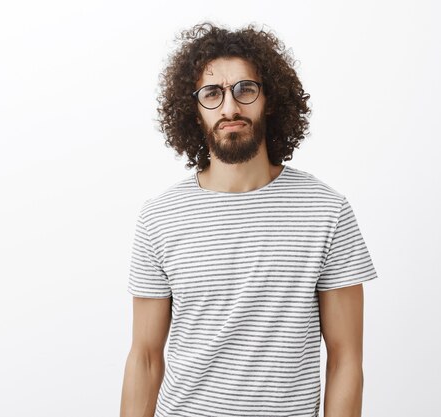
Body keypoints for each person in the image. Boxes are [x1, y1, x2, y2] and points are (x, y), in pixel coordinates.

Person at [119, 22, 378, 417]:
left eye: (245, 89)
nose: (229, 108)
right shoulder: (160, 218)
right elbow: (146, 358)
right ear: (193, 109)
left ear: (269, 99)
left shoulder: (327, 211)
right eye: (212, 94)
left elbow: (346, 361)